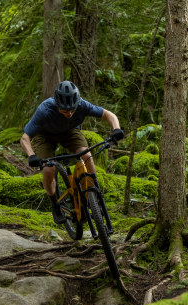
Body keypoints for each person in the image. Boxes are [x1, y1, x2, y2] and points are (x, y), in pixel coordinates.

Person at [20, 81, 124, 224]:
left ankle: (92, 196)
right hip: (44, 136)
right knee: (48, 170)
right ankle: (55, 204)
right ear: (57, 105)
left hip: (70, 131)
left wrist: (116, 129)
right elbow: (25, 138)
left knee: (87, 156)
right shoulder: (44, 110)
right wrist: (31, 155)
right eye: (64, 110)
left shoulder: (82, 105)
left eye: (72, 110)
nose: (69, 113)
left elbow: (108, 115)